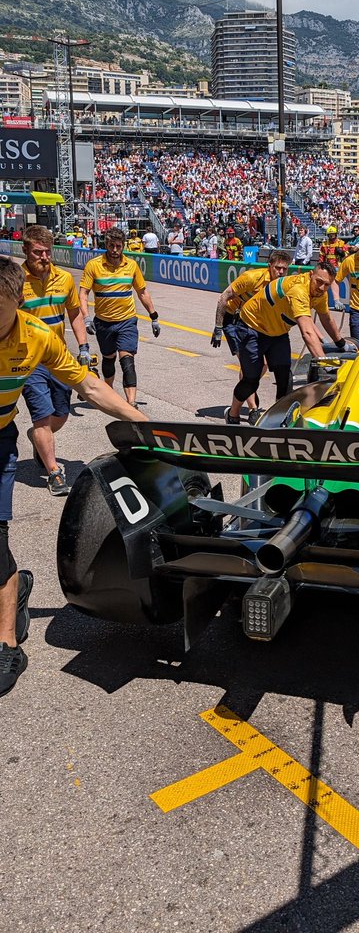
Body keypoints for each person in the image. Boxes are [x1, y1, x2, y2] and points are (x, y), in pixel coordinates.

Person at [0, 255, 148, 697]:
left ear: (16, 299)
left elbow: (91, 387)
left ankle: (6, 643)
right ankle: (19, 585)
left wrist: (146, 426)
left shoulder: (39, 336)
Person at [225, 263, 348, 424]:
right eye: (319, 281)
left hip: (277, 332)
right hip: (252, 327)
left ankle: (280, 419)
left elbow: (326, 318)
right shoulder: (298, 290)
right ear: (311, 274)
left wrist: (341, 343)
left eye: (327, 284)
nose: (322, 287)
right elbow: (307, 332)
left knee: (285, 376)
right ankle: (232, 414)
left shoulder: (320, 293)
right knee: (251, 378)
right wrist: (326, 363)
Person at [20, 226, 92, 496]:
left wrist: (83, 346)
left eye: (49, 251)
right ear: (26, 250)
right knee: (41, 416)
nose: (45, 257)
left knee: (59, 415)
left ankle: (38, 440)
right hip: (30, 360)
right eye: (39, 252)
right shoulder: (16, 280)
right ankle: (54, 472)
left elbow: (74, 314)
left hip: (59, 358)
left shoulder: (63, 279)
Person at [79, 227, 161, 408]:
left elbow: (142, 291)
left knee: (127, 360)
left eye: (118, 246)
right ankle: (107, 391)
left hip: (127, 321)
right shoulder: (94, 265)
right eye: (111, 246)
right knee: (109, 359)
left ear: (123, 246)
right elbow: (83, 293)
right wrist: (86, 317)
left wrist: (153, 316)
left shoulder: (131, 265)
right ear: (106, 245)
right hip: (104, 323)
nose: (115, 250)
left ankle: (131, 402)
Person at [211, 249, 292, 422]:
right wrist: (218, 327)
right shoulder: (251, 278)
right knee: (255, 366)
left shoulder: (284, 284)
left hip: (253, 323)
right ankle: (253, 408)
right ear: (269, 266)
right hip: (233, 320)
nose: (281, 272)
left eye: (285, 269)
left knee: (256, 368)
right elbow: (223, 297)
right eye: (277, 268)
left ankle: (248, 401)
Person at [319, 225, 349, 310]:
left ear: (336, 234)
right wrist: (321, 266)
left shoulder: (341, 243)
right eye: (330, 235)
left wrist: (342, 253)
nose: (331, 237)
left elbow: (347, 256)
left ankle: (337, 301)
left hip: (338, 267)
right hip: (328, 267)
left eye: (333, 235)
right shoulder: (324, 244)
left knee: (334, 282)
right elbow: (321, 257)